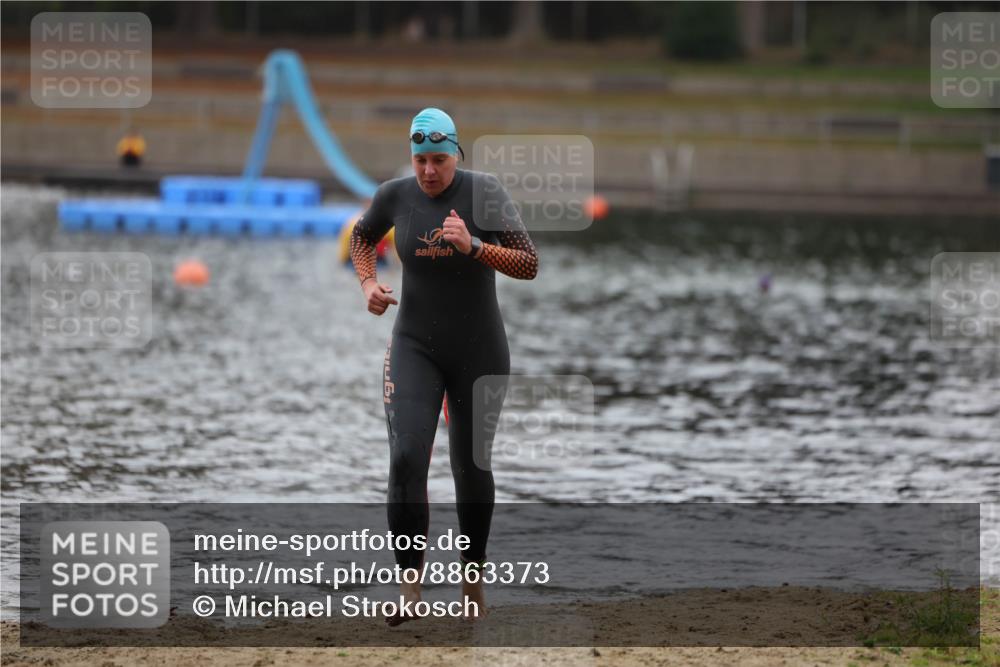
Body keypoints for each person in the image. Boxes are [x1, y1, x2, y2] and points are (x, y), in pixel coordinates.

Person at [350, 108, 538, 626]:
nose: (429, 171)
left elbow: (529, 263)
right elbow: (362, 239)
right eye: (420, 160)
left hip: (479, 350)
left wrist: (475, 246)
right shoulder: (396, 195)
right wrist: (368, 283)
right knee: (406, 456)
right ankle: (411, 590)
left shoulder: (485, 193)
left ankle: (471, 583)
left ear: (457, 153)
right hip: (414, 345)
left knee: (470, 467)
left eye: (438, 159)